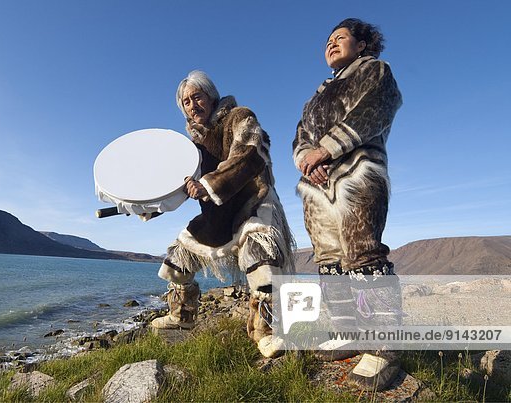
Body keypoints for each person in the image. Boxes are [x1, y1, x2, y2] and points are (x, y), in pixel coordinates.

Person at [151, 70, 295, 359]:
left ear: (212, 96)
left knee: (260, 258)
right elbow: (178, 187)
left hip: (253, 201)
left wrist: (206, 185)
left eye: (197, 97)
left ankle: (265, 331)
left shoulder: (241, 117)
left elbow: (249, 154)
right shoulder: (192, 146)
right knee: (179, 258)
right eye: (186, 102)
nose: (193, 105)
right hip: (217, 212)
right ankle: (183, 317)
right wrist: (149, 205)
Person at [292, 18, 403, 391]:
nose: (332, 44)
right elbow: (301, 136)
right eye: (327, 41)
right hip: (318, 187)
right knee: (329, 260)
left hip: (359, 175)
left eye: (340, 38)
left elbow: (374, 109)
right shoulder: (316, 96)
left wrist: (327, 149)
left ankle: (386, 346)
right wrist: (308, 161)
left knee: (363, 255)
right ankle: (347, 332)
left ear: (363, 44)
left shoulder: (376, 71)